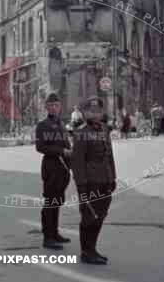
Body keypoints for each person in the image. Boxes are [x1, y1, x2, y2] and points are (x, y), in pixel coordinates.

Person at [71, 96, 117, 264]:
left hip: (105, 180)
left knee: (101, 215)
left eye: (98, 110)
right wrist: (81, 186)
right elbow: (77, 162)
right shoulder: (81, 132)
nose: (95, 113)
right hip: (90, 183)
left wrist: (113, 178)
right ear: (85, 113)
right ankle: (86, 252)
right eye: (91, 111)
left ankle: (93, 249)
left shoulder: (104, 129)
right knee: (89, 216)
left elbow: (109, 156)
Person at [35, 92, 72, 250]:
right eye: (51, 105)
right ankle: (47, 237)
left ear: (60, 107)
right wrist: (61, 152)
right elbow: (40, 147)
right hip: (51, 168)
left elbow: (67, 145)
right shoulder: (42, 125)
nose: (54, 108)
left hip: (63, 169)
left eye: (56, 105)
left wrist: (71, 159)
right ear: (46, 107)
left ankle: (55, 232)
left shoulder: (62, 124)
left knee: (57, 202)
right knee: (50, 203)